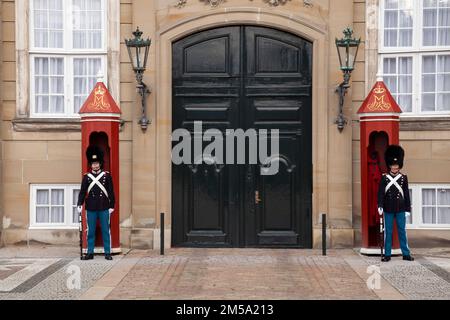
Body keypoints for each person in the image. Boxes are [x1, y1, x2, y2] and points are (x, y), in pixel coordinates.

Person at [77, 146, 115, 260]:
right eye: (93, 164)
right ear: (91, 165)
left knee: (105, 230)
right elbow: (83, 191)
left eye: (97, 163)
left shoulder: (106, 176)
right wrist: (79, 204)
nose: (95, 165)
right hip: (91, 207)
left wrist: (112, 205)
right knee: (91, 231)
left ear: (100, 164)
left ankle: (107, 252)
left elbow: (110, 191)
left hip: (104, 207)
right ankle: (90, 252)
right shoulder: (86, 177)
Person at [377, 145, 414, 262]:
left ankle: (406, 253)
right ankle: (387, 254)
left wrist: (408, 209)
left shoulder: (403, 178)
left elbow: (406, 194)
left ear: (399, 166)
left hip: (400, 208)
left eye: (396, 166)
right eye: (393, 166)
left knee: (402, 231)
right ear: (389, 166)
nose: (394, 168)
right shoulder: (385, 178)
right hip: (388, 208)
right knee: (388, 231)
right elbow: (381, 194)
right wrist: (380, 206)